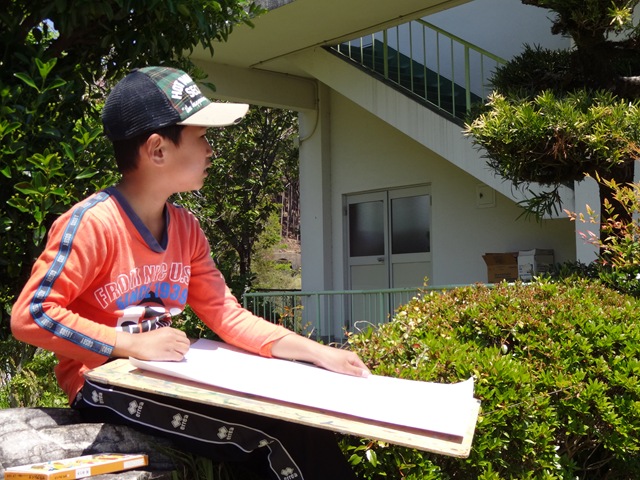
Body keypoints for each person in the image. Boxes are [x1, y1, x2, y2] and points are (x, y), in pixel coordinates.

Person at [11, 66, 370, 480]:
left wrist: (318, 353)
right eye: (201, 137)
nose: (210, 150)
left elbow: (227, 314)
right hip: (102, 383)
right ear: (157, 150)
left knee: (299, 415)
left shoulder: (186, 228)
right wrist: (130, 344)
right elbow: (31, 315)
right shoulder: (92, 224)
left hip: (167, 376)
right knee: (278, 434)